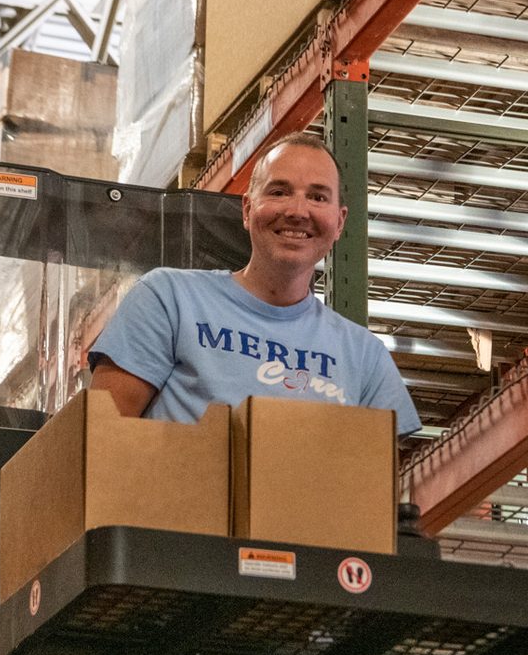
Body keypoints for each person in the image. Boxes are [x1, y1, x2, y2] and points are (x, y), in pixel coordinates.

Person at [88, 132, 422, 434]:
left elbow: (372, 487)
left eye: (318, 197)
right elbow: (100, 441)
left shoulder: (366, 360)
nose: (297, 210)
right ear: (247, 210)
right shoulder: (169, 300)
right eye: (279, 192)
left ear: (339, 222)